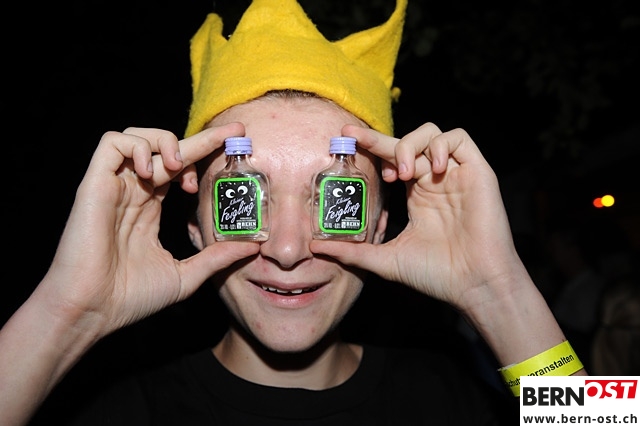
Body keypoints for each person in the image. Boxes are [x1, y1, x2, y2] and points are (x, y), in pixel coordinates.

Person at [0, 0, 586, 425]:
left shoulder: (454, 399)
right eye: (240, 199)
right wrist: (65, 314)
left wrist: (498, 292)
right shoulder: (117, 412)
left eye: (336, 199)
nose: (286, 249)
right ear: (194, 227)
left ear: (381, 226)